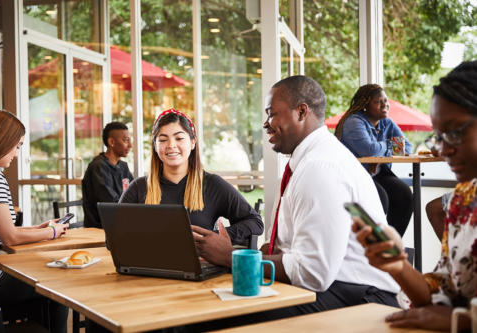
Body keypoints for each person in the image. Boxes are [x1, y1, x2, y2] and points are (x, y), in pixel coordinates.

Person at [189, 76, 400, 330]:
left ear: (301, 111)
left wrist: (231, 255)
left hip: (361, 298)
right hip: (338, 287)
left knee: (217, 317)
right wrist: (273, 252)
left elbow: (313, 273)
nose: (266, 124)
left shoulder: (320, 168)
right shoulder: (307, 161)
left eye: (272, 114)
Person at [352, 60, 477, 331]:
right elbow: (444, 294)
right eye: (439, 137)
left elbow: (451, 314)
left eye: (454, 133)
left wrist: (458, 321)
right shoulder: (463, 200)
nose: (443, 150)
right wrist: (397, 265)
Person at [0, 110, 68, 332]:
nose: (17, 154)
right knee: (57, 287)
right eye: (17, 145)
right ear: (3, 141)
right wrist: (52, 232)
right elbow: (10, 237)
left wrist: (35, 228)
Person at [119, 108, 263, 245]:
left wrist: (215, 238)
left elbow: (255, 222)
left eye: (179, 138)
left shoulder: (212, 184)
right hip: (149, 268)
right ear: (155, 146)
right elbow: (114, 237)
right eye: (163, 140)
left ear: (193, 142)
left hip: (199, 269)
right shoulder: (138, 187)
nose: (171, 145)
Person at [335, 84, 413, 236]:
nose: (385, 105)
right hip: (354, 176)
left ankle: (390, 244)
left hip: (377, 174)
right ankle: (370, 249)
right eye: (379, 102)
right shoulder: (353, 122)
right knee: (380, 198)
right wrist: (389, 146)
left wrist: (381, 156)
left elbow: (406, 148)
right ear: (365, 105)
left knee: (403, 194)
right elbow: (369, 150)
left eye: (386, 101)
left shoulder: (386, 123)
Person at [82, 122, 133, 228]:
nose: (130, 145)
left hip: (120, 223)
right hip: (101, 227)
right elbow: (111, 202)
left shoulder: (123, 166)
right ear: (111, 142)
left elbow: (134, 193)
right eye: (125, 140)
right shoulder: (98, 167)